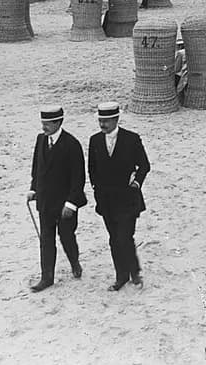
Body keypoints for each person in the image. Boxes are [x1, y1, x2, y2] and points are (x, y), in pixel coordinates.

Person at [88, 102, 151, 291]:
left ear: (116, 119)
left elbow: (144, 165)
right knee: (114, 238)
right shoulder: (95, 141)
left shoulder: (131, 139)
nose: (102, 124)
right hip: (106, 200)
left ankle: (134, 272)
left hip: (127, 198)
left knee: (125, 236)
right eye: (100, 120)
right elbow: (92, 169)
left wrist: (136, 183)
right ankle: (121, 276)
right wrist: (97, 190)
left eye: (106, 120)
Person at [27, 105, 88, 293]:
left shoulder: (72, 144)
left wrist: (71, 203)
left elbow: (78, 178)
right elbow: (37, 167)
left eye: (48, 124)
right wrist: (33, 188)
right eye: (42, 123)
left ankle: (74, 263)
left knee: (66, 237)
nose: (44, 127)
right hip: (45, 201)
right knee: (46, 239)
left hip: (65, 205)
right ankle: (47, 277)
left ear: (58, 122)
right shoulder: (41, 139)